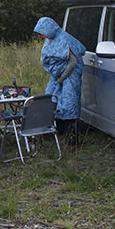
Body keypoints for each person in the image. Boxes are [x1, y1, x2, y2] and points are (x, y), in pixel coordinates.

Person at [34, 17, 85, 146]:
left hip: (69, 77)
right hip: (57, 77)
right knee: (51, 99)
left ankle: (72, 139)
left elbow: (73, 61)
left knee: (69, 104)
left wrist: (62, 77)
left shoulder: (65, 39)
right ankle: (57, 133)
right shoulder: (50, 40)